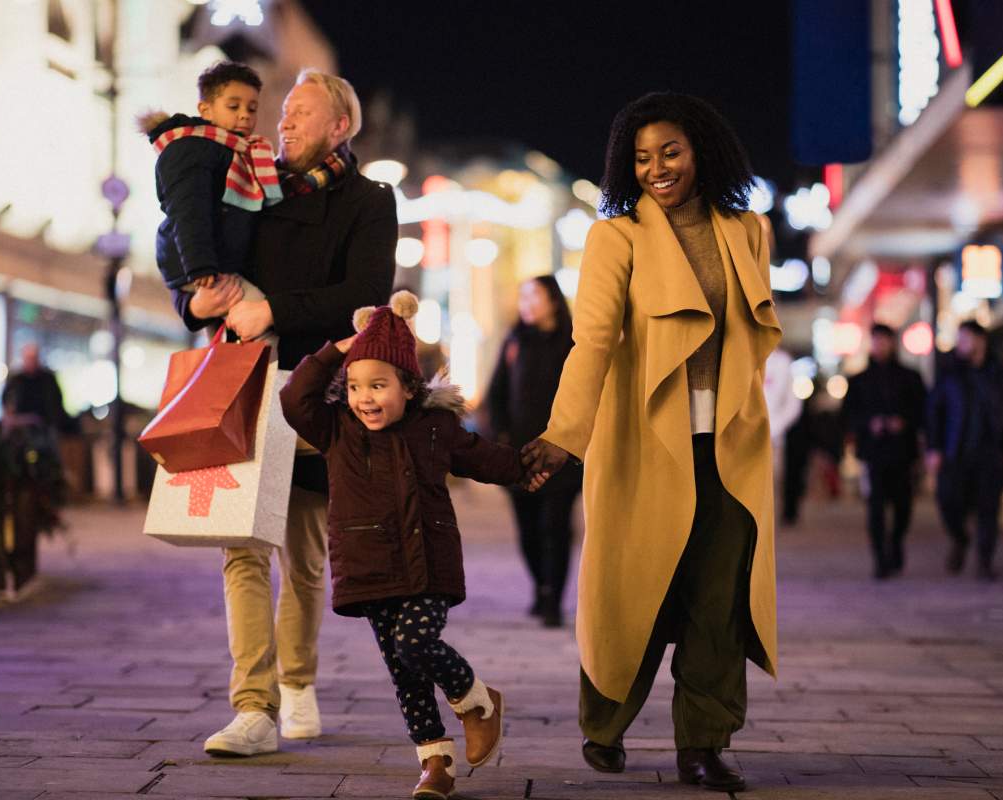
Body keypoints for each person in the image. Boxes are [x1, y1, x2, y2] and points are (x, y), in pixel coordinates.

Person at [523, 92, 781, 792]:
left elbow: (755, 341)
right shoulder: (619, 237)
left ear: (702, 150)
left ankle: (703, 744)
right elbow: (593, 341)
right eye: (641, 158)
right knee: (633, 587)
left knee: (719, 600)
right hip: (642, 442)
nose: (657, 168)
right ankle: (603, 725)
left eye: (670, 151)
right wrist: (563, 436)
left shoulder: (748, 230)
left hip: (730, 445)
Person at [173, 69, 396, 756]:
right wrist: (192, 304)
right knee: (243, 547)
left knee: (302, 552)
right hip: (244, 384)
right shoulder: (251, 191)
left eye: (302, 112)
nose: (284, 122)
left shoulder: (368, 200)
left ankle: (297, 680)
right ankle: (253, 708)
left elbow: (365, 295)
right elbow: (199, 262)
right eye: (284, 111)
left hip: (316, 390)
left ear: (340, 126)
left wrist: (277, 309)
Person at [279, 292, 527, 800]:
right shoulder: (337, 430)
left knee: (415, 644)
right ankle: (435, 762)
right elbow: (296, 398)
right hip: (369, 570)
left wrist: (535, 466)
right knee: (403, 672)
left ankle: (476, 701)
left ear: (409, 387)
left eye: (378, 385)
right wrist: (338, 349)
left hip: (426, 564)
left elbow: (485, 458)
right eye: (353, 386)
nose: (364, 398)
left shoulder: (433, 428)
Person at [141, 61, 281, 302]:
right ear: (205, 110)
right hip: (200, 266)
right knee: (262, 317)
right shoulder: (192, 148)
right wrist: (200, 264)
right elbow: (189, 208)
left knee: (228, 334)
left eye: (252, 108)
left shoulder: (240, 152)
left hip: (218, 264)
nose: (244, 115)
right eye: (233, 106)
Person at [486, 275, 581, 628]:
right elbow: (496, 393)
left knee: (555, 527)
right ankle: (540, 587)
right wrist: (500, 439)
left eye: (534, 296)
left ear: (553, 301)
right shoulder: (514, 341)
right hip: (519, 457)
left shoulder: (574, 342)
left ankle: (553, 598)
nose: (526, 303)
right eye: (522, 296)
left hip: (563, 457)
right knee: (527, 530)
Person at [926, 320, 1003, 581]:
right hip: (954, 452)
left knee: (988, 510)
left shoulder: (1001, 376)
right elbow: (934, 413)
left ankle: (984, 560)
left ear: (980, 340)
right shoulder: (949, 375)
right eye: (959, 340)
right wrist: (934, 448)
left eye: (966, 339)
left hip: (990, 453)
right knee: (948, 501)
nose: (962, 345)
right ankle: (960, 538)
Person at [841, 324, 927, 579]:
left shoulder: (910, 378)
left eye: (885, 341)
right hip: (873, 454)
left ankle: (896, 542)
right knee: (876, 508)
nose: (880, 346)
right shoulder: (860, 380)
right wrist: (870, 423)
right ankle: (880, 558)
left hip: (902, 452)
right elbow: (848, 415)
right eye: (876, 341)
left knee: (903, 507)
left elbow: (923, 411)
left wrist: (903, 422)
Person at [1, 343, 74, 435]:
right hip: (20, 430)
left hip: (46, 429)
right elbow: (6, 406)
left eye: (34, 358)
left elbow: (57, 404)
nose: (31, 362)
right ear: (24, 359)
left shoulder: (48, 380)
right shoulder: (16, 381)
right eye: (29, 358)